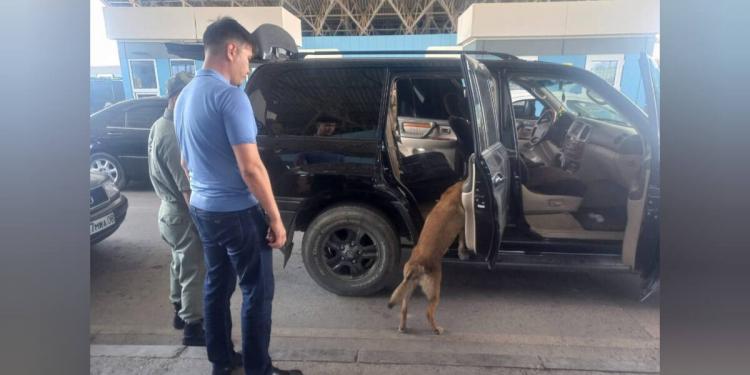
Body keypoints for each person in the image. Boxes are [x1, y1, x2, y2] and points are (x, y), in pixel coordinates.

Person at [174, 17, 302, 375]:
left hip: (203, 208)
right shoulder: (230, 97)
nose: (247, 70)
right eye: (247, 58)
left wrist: (202, 192)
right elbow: (251, 168)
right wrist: (275, 218)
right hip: (236, 213)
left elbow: (184, 161)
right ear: (231, 50)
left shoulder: (185, 96)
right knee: (257, 293)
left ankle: (222, 362)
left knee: (217, 284)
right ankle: (258, 370)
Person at [147, 71, 206, 347]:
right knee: (194, 269)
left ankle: (178, 313)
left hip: (168, 214)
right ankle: (193, 328)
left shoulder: (160, 124)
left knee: (178, 263)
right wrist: (205, 224)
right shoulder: (172, 135)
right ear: (174, 98)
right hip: (181, 214)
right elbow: (187, 190)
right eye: (186, 95)